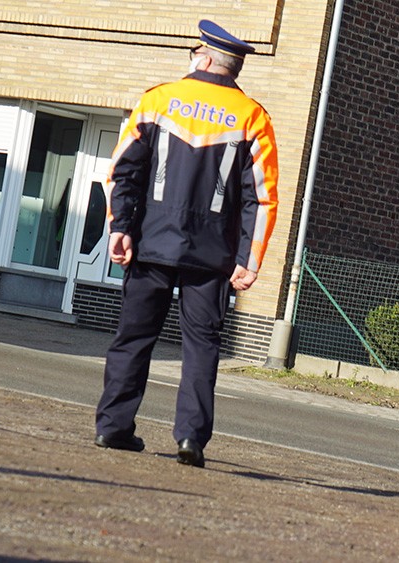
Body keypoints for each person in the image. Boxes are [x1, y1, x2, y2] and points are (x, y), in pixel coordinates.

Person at [94, 20, 278, 468]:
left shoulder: (157, 100)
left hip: (150, 243)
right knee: (202, 347)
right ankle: (190, 439)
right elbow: (263, 196)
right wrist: (249, 261)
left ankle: (113, 427)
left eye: (194, 49)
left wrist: (119, 227)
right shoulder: (252, 116)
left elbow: (123, 171)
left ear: (206, 58)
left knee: (133, 338)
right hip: (212, 257)